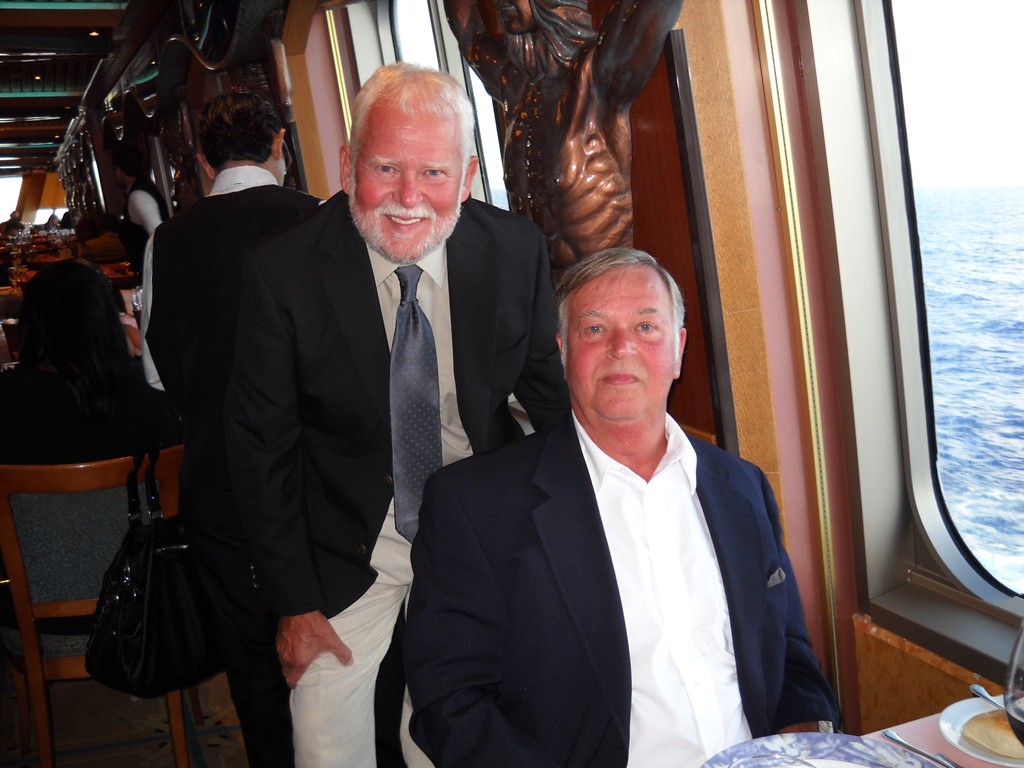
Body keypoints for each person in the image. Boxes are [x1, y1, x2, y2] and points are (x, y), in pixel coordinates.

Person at [223, 62, 570, 768]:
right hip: (347, 538)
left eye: (433, 173)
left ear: (466, 177)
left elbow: (555, 401)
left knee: (452, 741)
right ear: (348, 165)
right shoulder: (284, 270)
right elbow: (260, 448)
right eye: (386, 168)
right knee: (325, 745)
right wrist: (294, 603)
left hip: (475, 532)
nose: (409, 199)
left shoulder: (515, 253)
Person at [405, 248, 840, 767]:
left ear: (678, 350)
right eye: (594, 329)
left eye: (646, 326)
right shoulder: (475, 506)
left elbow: (788, 652)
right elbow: (450, 704)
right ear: (564, 351)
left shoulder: (742, 489)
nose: (621, 347)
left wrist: (807, 742)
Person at [143, 90, 321, 768]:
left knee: (251, 662)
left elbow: (158, 375)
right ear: (279, 143)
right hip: (313, 474)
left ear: (201, 158)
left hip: (217, 478)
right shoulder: (322, 219)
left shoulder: (168, 239)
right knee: (335, 647)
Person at [445, 0, 683, 269]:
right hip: (539, 288)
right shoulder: (516, 88)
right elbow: (469, 34)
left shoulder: (596, 79)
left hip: (603, 282)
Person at [0, 259, 179, 464]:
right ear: (108, 318)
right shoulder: (151, 388)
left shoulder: (9, 397)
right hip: (134, 486)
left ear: (30, 323)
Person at [111, 143, 169, 276]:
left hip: (155, 274)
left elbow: (159, 235)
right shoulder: (142, 189)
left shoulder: (138, 195)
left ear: (118, 170)